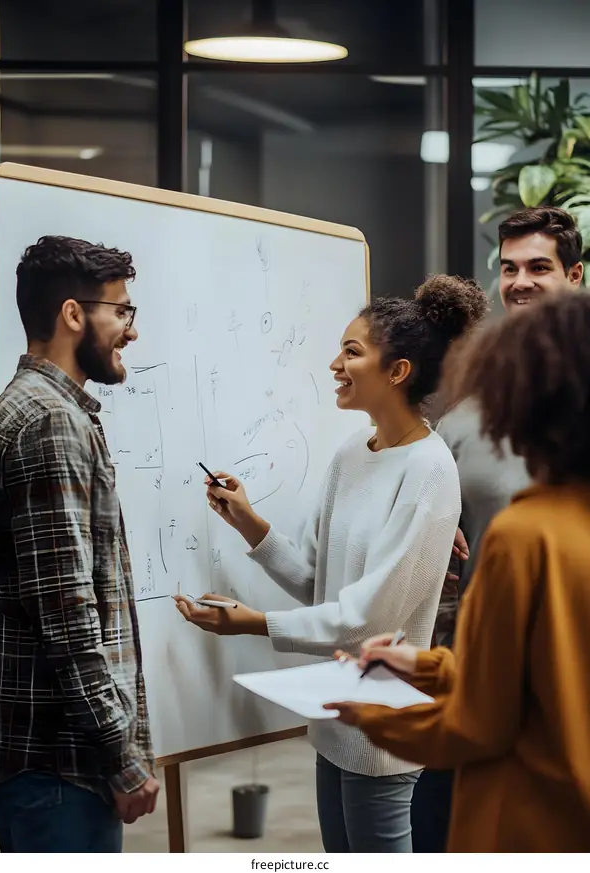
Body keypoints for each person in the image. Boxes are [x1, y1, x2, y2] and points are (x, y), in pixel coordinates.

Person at [174, 275, 488, 853]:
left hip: (382, 730)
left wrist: (255, 624)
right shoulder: (351, 453)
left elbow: (369, 618)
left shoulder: (431, 470)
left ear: (397, 372)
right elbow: (315, 580)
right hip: (332, 720)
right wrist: (246, 518)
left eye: (351, 351)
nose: (334, 364)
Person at [328, 290, 590, 851]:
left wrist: (372, 717)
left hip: (529, 824)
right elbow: (545, 675)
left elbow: (479, 723)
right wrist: (426, 667)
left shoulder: (524, 536)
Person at [409, 205, 585, 852]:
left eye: (539, 266)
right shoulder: (468, 414)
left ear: (576, 274)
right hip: (478, 673)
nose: (520, 282)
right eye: (508, 268)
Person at [0, 236, 158, 853]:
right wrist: (121, 752)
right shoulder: (49, 421)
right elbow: (66, 616)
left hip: (49, 763)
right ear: (72, 314)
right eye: (122, 311)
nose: (130, 330)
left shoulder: (44, 409)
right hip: (60, 765)